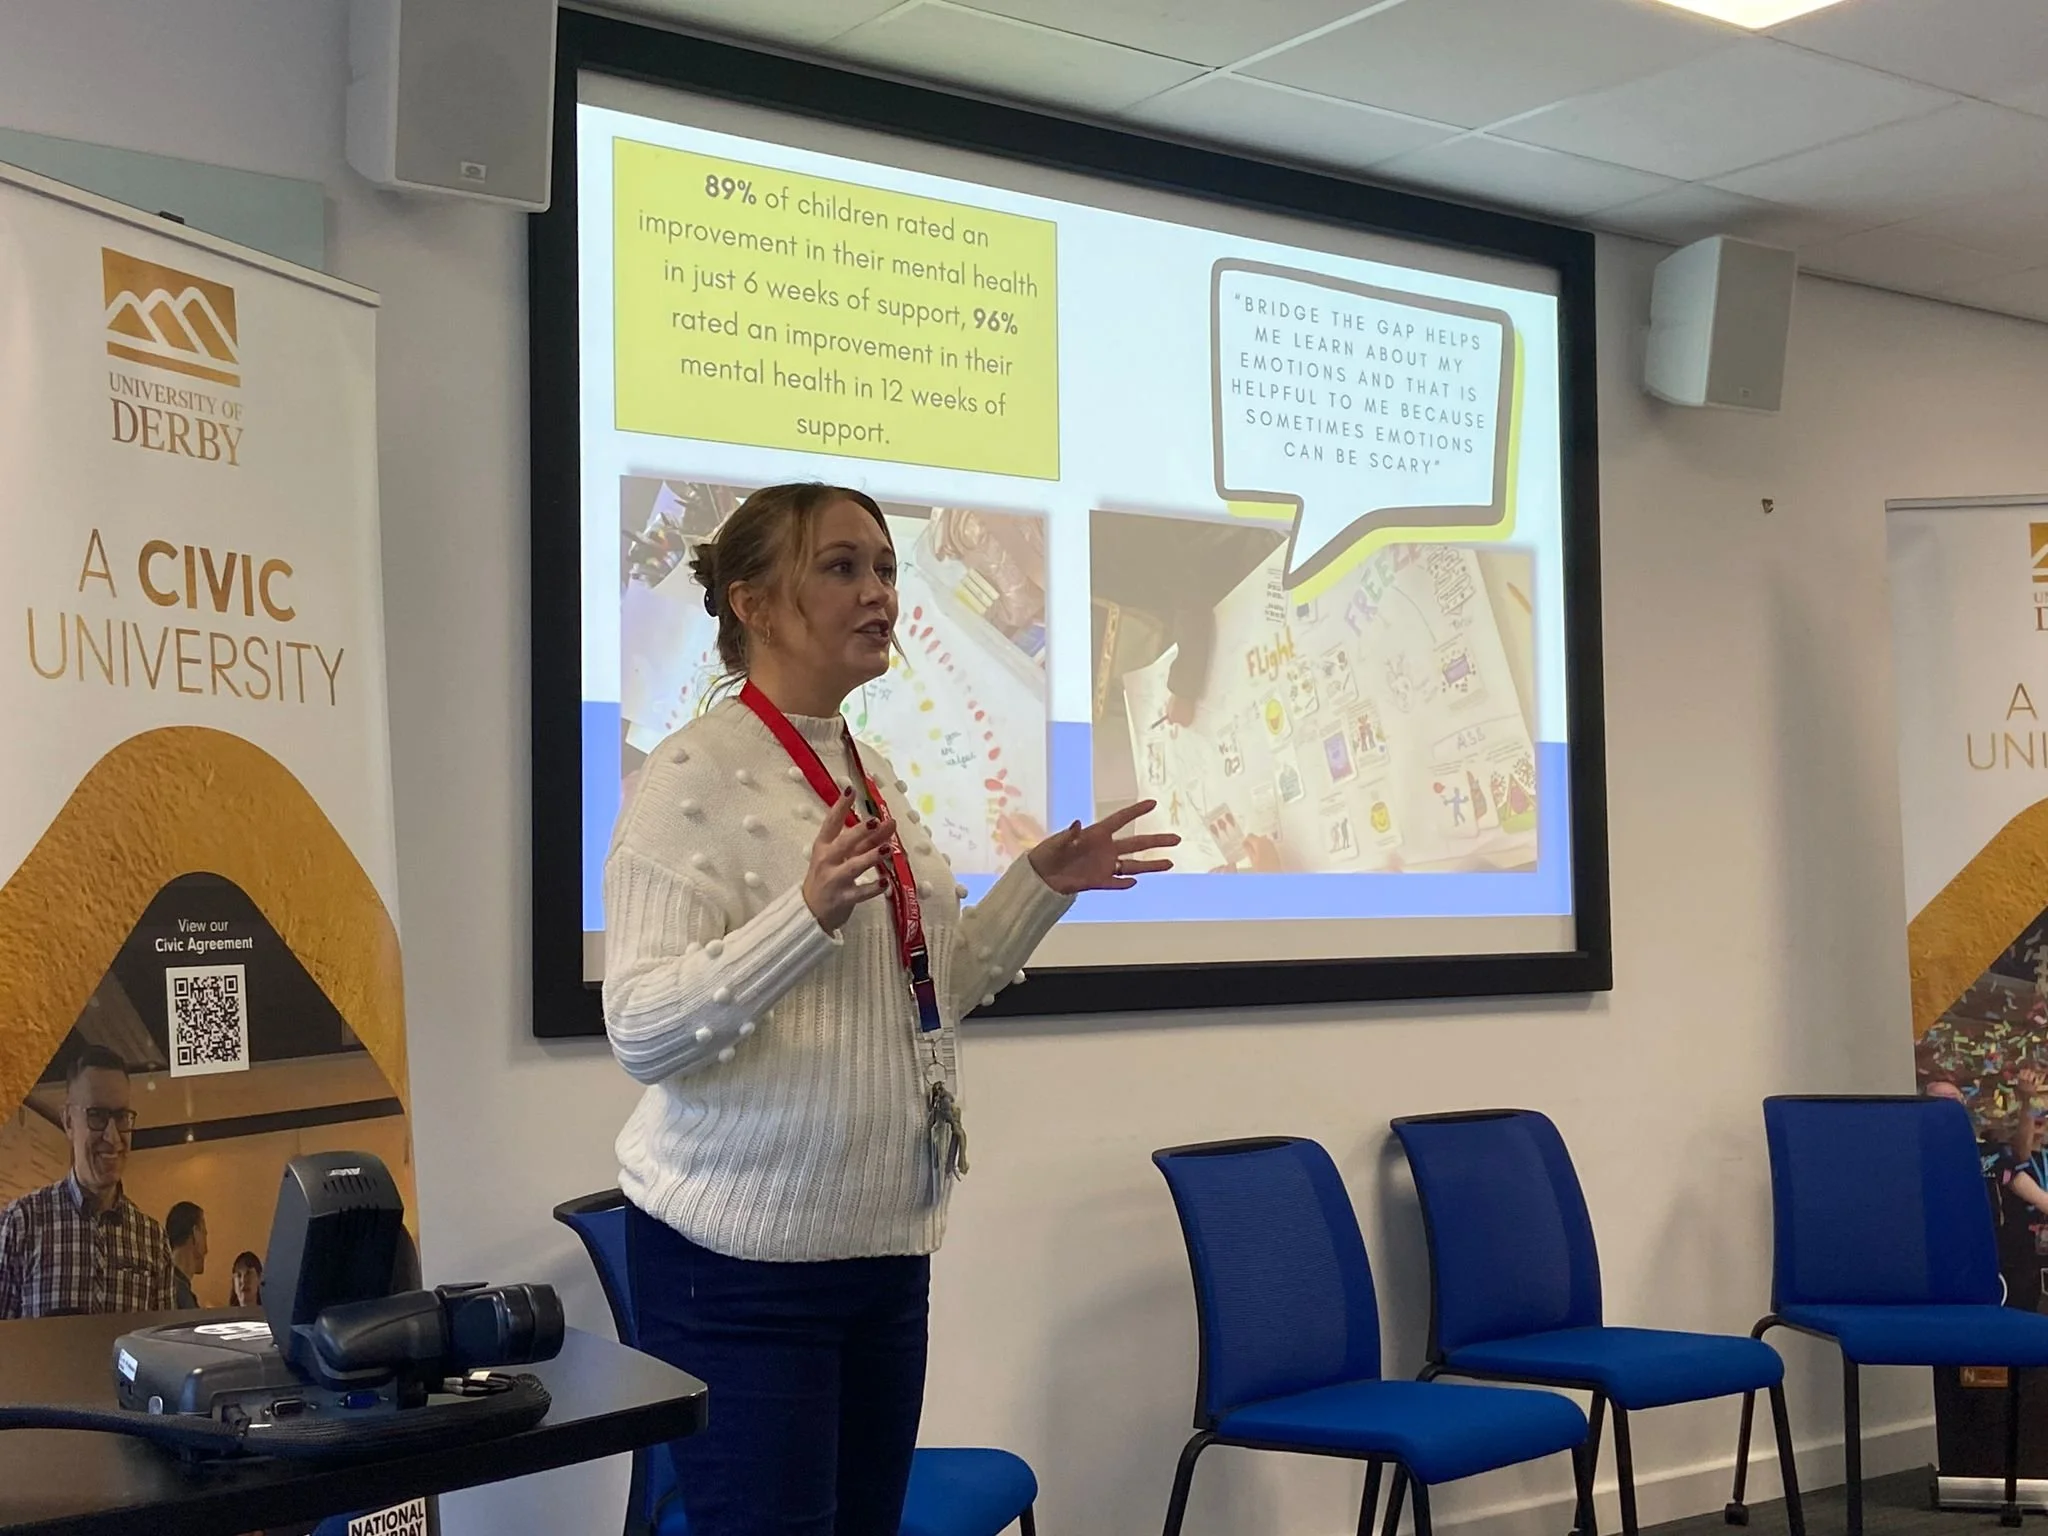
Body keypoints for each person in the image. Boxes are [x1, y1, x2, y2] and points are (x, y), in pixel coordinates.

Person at [603, 482, 1176, 1536]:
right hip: (738, 1270)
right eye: (840, 567)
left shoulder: (872, 772)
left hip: (879, 1246)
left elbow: (931, 989)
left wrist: (1038, 887)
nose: (878, 592)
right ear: (755, 604)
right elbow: (639, 1028)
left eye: (883, 567)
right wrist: (803, 914)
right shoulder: (690, 777)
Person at [0, 1045, 176, 1318]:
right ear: (69, 1121)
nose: (113, 1136)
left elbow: (160, 1352)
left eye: (120, 1117)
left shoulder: (153, 1239)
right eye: (97, 1116)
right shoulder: (21, 1224)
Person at [166, 1200, 207, 1309]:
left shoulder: (163, 1285)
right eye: (204, 1233)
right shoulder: (180, 1295)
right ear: (195, 1234)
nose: (207, 1250)